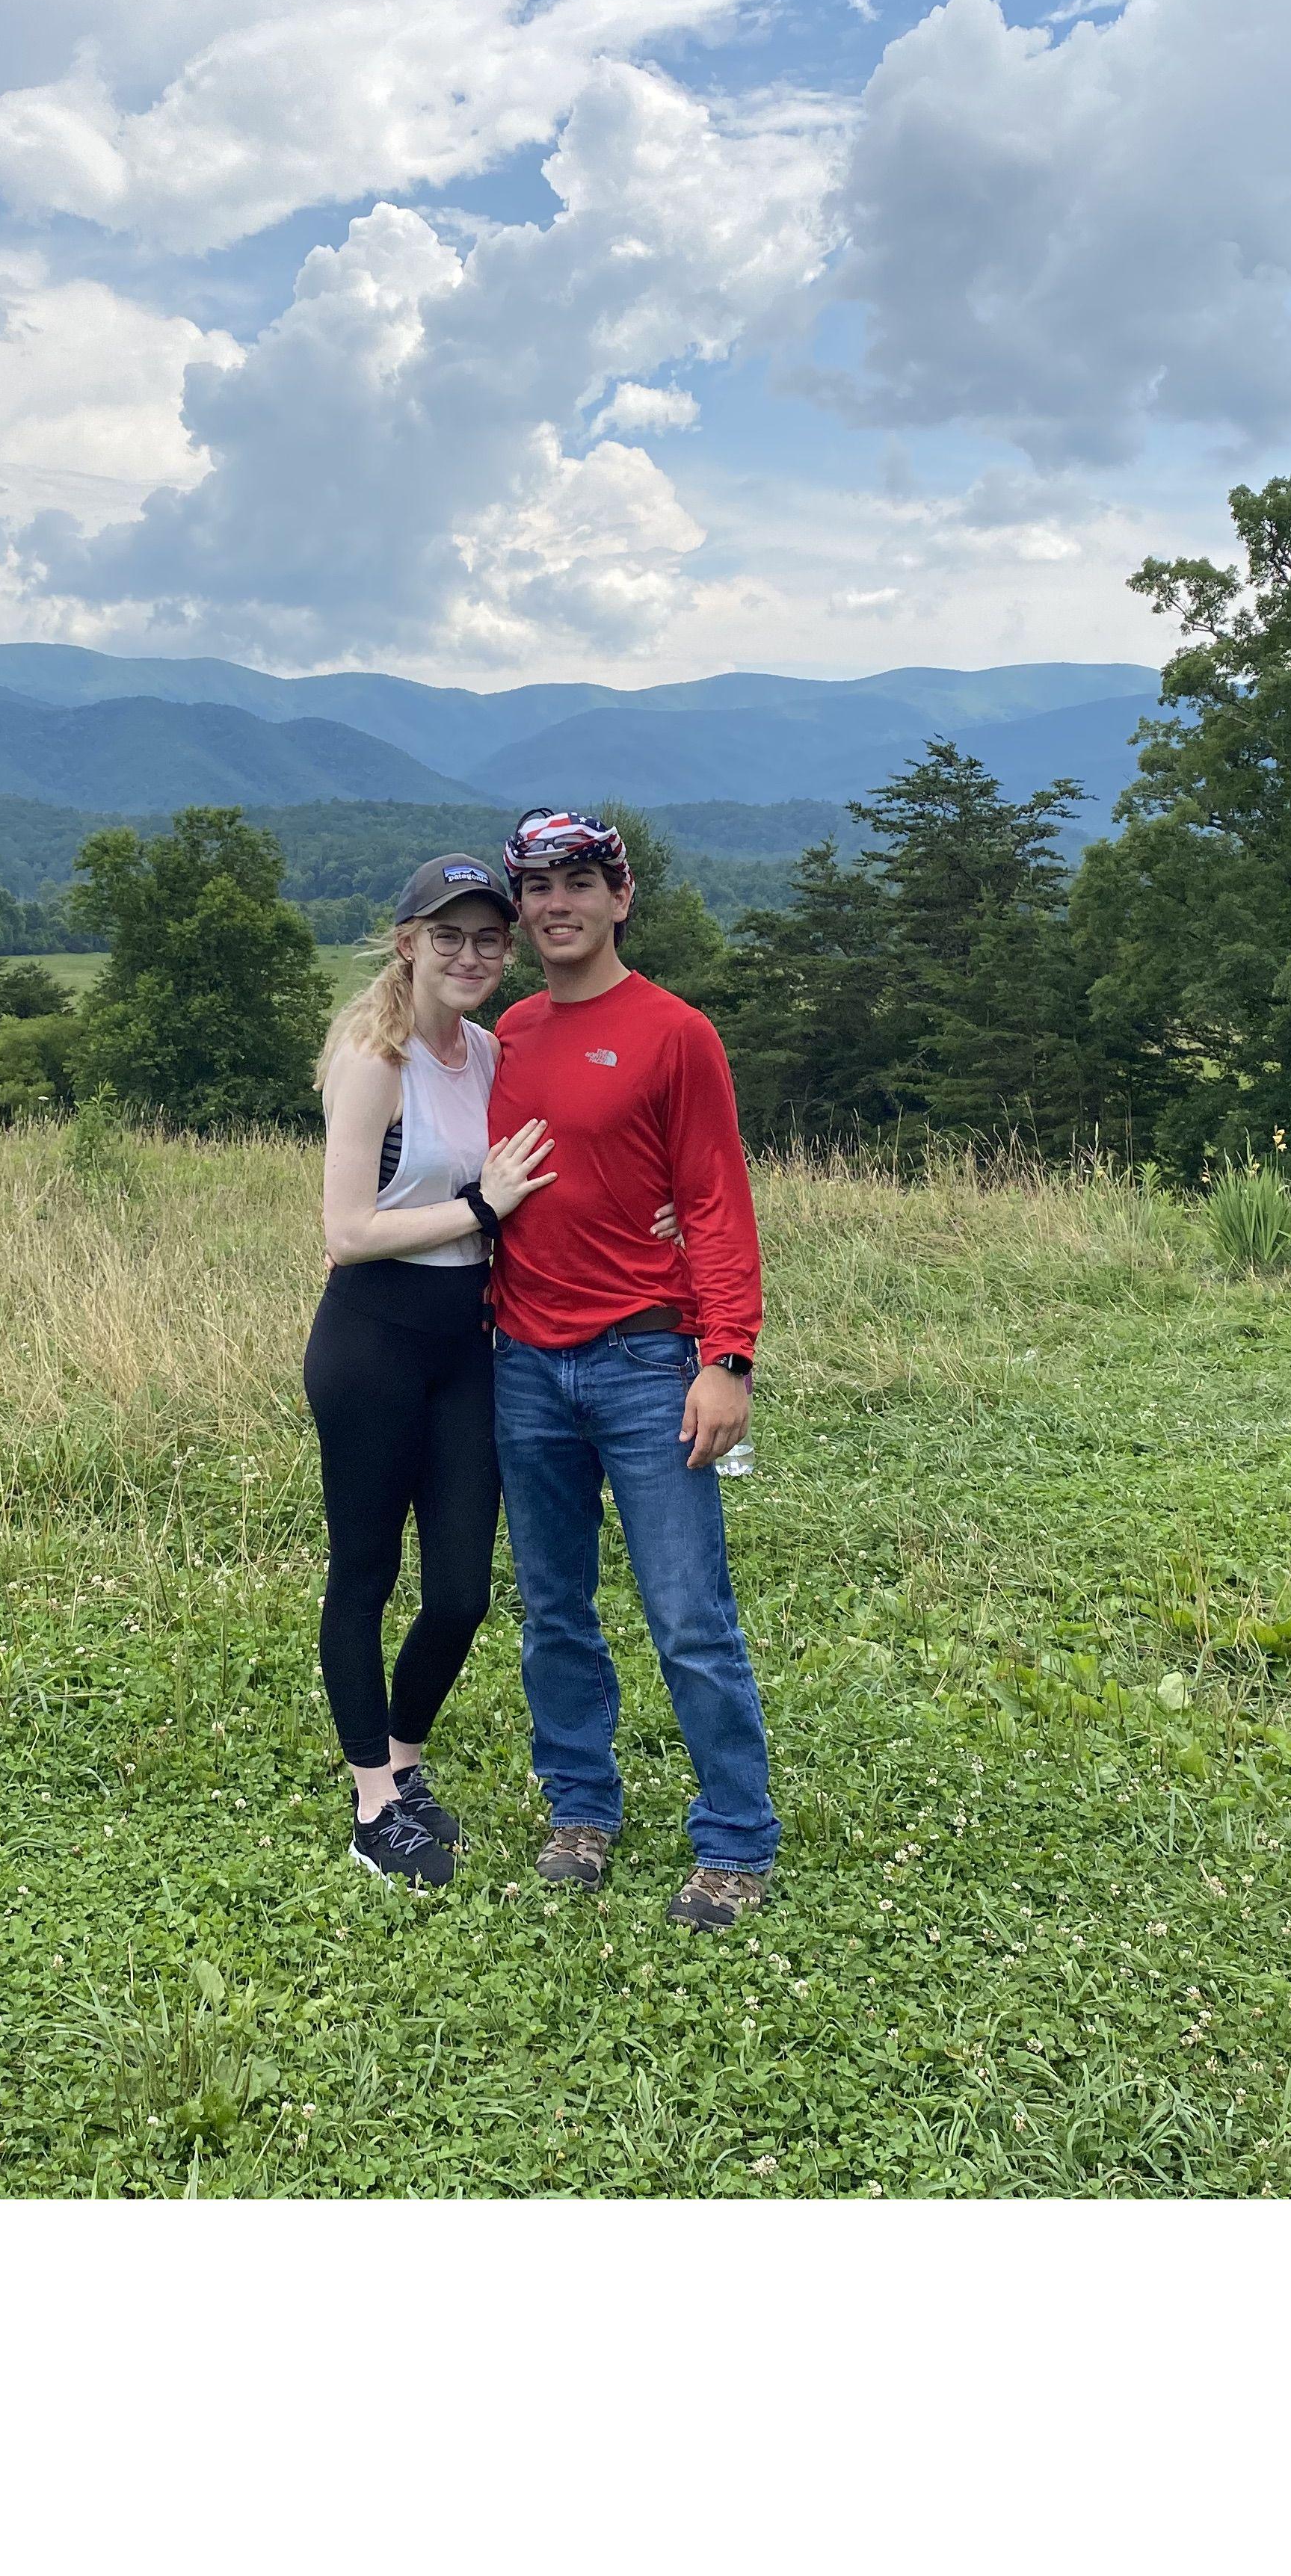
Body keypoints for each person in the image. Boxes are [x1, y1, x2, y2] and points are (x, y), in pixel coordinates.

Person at [486, 807, 777, 1930]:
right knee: (555, 1606)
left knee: (687, 1610)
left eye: (576, 881)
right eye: (535, 887)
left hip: (649, 1362)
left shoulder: (674, 1034)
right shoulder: (505, 1033)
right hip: (524, 1364)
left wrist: (728, 1358)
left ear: (620, 894)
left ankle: (737, 1842)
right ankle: (580, 1807)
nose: (554, 904)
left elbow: (713, 1200)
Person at [304, 854, 555, 1886]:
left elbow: (547, 1168)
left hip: (467, 1344)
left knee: (459, 1592)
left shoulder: (492, 1053)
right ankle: (372, 1805)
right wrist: (482, 1212)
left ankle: (407, 1764)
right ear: (406, 943)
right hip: (371, 1343)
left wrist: (659, 1216)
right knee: (365, 1573)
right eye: (446, 935)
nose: (468, 954)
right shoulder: (376, 1057)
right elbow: (348, 1229)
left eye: (487, 937)